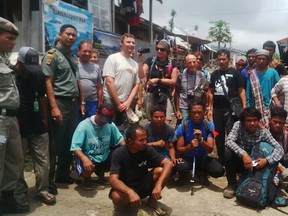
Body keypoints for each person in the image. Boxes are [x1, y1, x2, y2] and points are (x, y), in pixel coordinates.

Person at [42, 24, 85, 194]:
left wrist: (81, 102)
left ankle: (62, 174)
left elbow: (76, 81)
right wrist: (53, 107)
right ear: (60, 35)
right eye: (68, 34)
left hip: (72, 104)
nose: (71, 37)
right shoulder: (52, 56)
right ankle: (49, 180)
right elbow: (48, 83)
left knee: (69, 141)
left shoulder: (72, 56)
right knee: (55, 144)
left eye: (74, 35)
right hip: (59, 102)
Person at [14, 47, 55, 205]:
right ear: (20, 63)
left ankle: (42, 190)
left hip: (37, 121)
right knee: (18, 161)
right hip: (18, 123)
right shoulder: (12, 75)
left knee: (43, 160)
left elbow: (41, 97)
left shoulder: (38, 74)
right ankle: (19, 192)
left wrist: (45, 117)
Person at [109, 124, 172, 215]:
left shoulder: (147, 149)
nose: (145, 142)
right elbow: (113, 179)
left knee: (161, 171)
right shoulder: (119, 153)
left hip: (142, 185)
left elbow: (168, 163)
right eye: (141, 140)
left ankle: (152, 201)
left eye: (146, 139)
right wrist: (129, 192)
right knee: (116, 196)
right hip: (126, 188)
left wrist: (158, 185)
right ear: (130, 141)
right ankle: (126, 209)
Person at [224, 107, 284, 198]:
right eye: (249, 120)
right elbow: (229, 141)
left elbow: (280, 149)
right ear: (243, 121)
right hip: (240, 161)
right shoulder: (238, 125)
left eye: (255, 120)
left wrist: (266, 160)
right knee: (228, 152)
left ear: (258, 120)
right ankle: (231, 185)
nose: (252, 123)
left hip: (255, 164)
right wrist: (244, 154)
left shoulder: (263, 132)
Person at [71, 103, 125, 190]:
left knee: (121, 152)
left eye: (107, 120)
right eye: (103, 119)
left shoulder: (110, 125)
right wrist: (84, 159)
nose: (104, 122)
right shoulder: (84, 125)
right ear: (97, 112)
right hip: (88, 157)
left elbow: (121, 141)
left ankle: (101, 173)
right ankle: (86, 178)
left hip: (104, 156)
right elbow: (75, 147)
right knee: (88, 164)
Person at [207, 49, 246, 164]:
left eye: (224, 59)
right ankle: (221, 159)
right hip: (217, 110)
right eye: (219, 59)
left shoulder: (235, 73)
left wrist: (244, 107)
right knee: (217, 134)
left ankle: (232, 160)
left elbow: (241, 90)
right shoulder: (214, 74)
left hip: (231, 110)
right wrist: (209, 108)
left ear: (228, 59)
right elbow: (210, 92)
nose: (222, 61)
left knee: (232, 136)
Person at [175, 99, 224, 185]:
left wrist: (201, 140)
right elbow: (179, 149)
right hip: (187, 158)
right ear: (189, 112)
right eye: (194, 112)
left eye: (200, 112)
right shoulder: (183, 126)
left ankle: (201, 171)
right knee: (180, 166)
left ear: (204, 112)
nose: (197, 115)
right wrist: (189, 146)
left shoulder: (209, 126)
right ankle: (184, 174)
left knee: (219, 171)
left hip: (203, 158)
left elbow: (210, 149)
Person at [102, 33, 139, 126]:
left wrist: (128, 101)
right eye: (128, 42)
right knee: (108, 126)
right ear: (121, 43)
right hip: (110, 99)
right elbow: (109, 81)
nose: (131, 44)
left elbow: (136, 84)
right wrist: (118, 103)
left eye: (133, 43)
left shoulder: (135, 64)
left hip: (126, 103)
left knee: (124, 128)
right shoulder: (113, 58)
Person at [141, 39, 178, 122]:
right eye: (157, 49)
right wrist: (140, 61)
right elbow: (141, 75)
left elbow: (173, 81)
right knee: (151, 120)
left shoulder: (172, 63)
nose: (159, 51)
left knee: (166, 121)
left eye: (162, 49)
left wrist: (157, 80)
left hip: (166, 94)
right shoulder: (150, 61)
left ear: (167, 51)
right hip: (151, 94)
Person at [246, 49, 279, 127]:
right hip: (255, 108)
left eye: (264, 59)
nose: (261, 61)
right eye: (259, 58)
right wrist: (248, 109)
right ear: (256, 60)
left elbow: (279, 89)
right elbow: (248, 94)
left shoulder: (273, 72)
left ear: (267, 60)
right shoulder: (251, 74)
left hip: (270, 107)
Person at [175, 54, 207, 121]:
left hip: (197, 106)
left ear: (197, 63)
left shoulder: (202, 75)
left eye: (194, 62)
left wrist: (205, 108)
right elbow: (177, 94)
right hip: (184, 106)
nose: (192, 64)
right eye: (189, 62)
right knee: (184, 125)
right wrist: (177, 110)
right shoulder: (180, 76)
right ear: (185, 64)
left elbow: (205, 93)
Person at [78, 40, 103, 118]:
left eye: (90, 51)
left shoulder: (96, 67)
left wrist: (99, 105)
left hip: (92, 103)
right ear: (78, 51)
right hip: (77, 103)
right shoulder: (74, 65)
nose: (87, 53)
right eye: (85, 51)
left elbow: (99, 88)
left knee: (91, 126)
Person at [268, 107, 288, 181]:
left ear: (284, 123)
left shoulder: (285, 133)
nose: (277, 125)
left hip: (282, 160)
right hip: (268, 162)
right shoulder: (263, 132)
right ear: (270, 119)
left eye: (280, 123)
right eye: (275, 122)